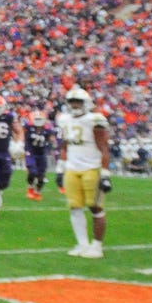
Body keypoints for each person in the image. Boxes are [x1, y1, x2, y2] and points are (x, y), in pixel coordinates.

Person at [54, 86, 112, 258]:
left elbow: (103, 148)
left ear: (86, 102)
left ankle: (97, 246)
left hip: (92, 168)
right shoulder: (64, 119)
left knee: (95, 207)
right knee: (74, 207)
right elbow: (64, 146)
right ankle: (82, 243)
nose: (75, 105)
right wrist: (60, 168)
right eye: (72, 101)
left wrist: (106, 174)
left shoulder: (94, 120)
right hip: (72, 167)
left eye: (78, 101)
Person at [22, 108, 57, 200]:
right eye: (36, 119)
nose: (38, 121)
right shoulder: (28, 127)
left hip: (41, 153)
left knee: (41, 176)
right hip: (31, 152)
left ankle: (37, 192)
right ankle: (30, 187)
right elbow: (20, 131)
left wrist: (53, 142)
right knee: (32, 171)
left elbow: (52, 138)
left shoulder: (47, 129)